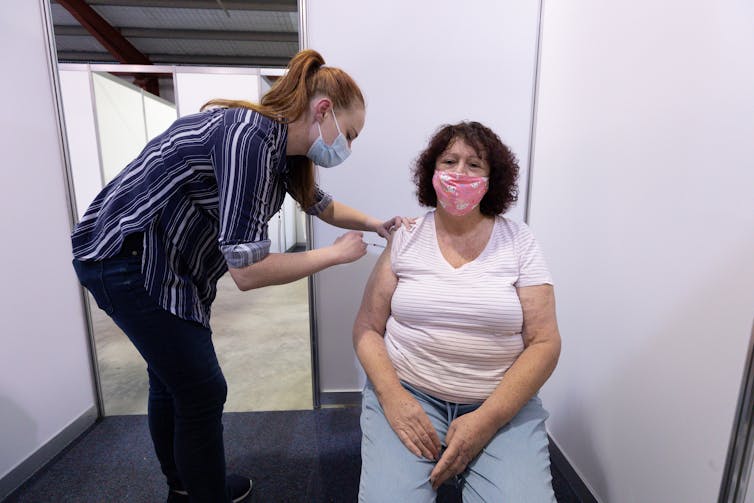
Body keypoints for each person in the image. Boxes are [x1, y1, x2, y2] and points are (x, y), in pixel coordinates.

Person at [71, 49, 406, 503]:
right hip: (126, 257)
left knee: (171, 379)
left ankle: (185, 483)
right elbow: (247, 272)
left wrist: (374, 224)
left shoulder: (283, 149)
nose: (347, 146)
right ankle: (201, 492)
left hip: (168, 264)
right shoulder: (249, 139)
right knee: (202, 389)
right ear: (323, 110)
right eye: (349, 134)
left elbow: (320, 204)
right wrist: (332, 255)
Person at [353, 121, 561, 502]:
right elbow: (367, 329)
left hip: (500, 403)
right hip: (410, 393)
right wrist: (393, 398)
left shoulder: (519, 241)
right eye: (449, 161)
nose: (459, 173)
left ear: (492, 177)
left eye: (474, 165)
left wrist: (486, 420)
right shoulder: (406, 236)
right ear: (431, 173)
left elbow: (545, 342)